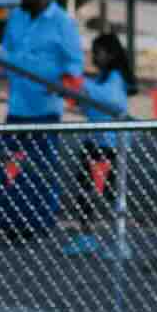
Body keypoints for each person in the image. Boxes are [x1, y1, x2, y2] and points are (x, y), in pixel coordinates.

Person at [0, 0, 84, 239]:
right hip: (17, 107)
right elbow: (6, 52)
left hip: (45, 110)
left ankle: (38, 224)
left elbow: (75, 64)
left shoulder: (62, 23)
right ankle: (6, 223)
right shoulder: (16, 18)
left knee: (40, 171)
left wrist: (61, 85)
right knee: (9, 168)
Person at [64, 31, 134, 256]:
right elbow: (93, 104)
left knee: (113, 193)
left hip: (110, 145)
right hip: (92, 141)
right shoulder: (101, 77)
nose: (93, 56)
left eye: (98, 52)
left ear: (111, 54)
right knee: (84, 191)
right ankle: (85, 235)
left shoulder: (115, 78)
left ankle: (120, 239)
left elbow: (110, 99)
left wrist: (82, 84)